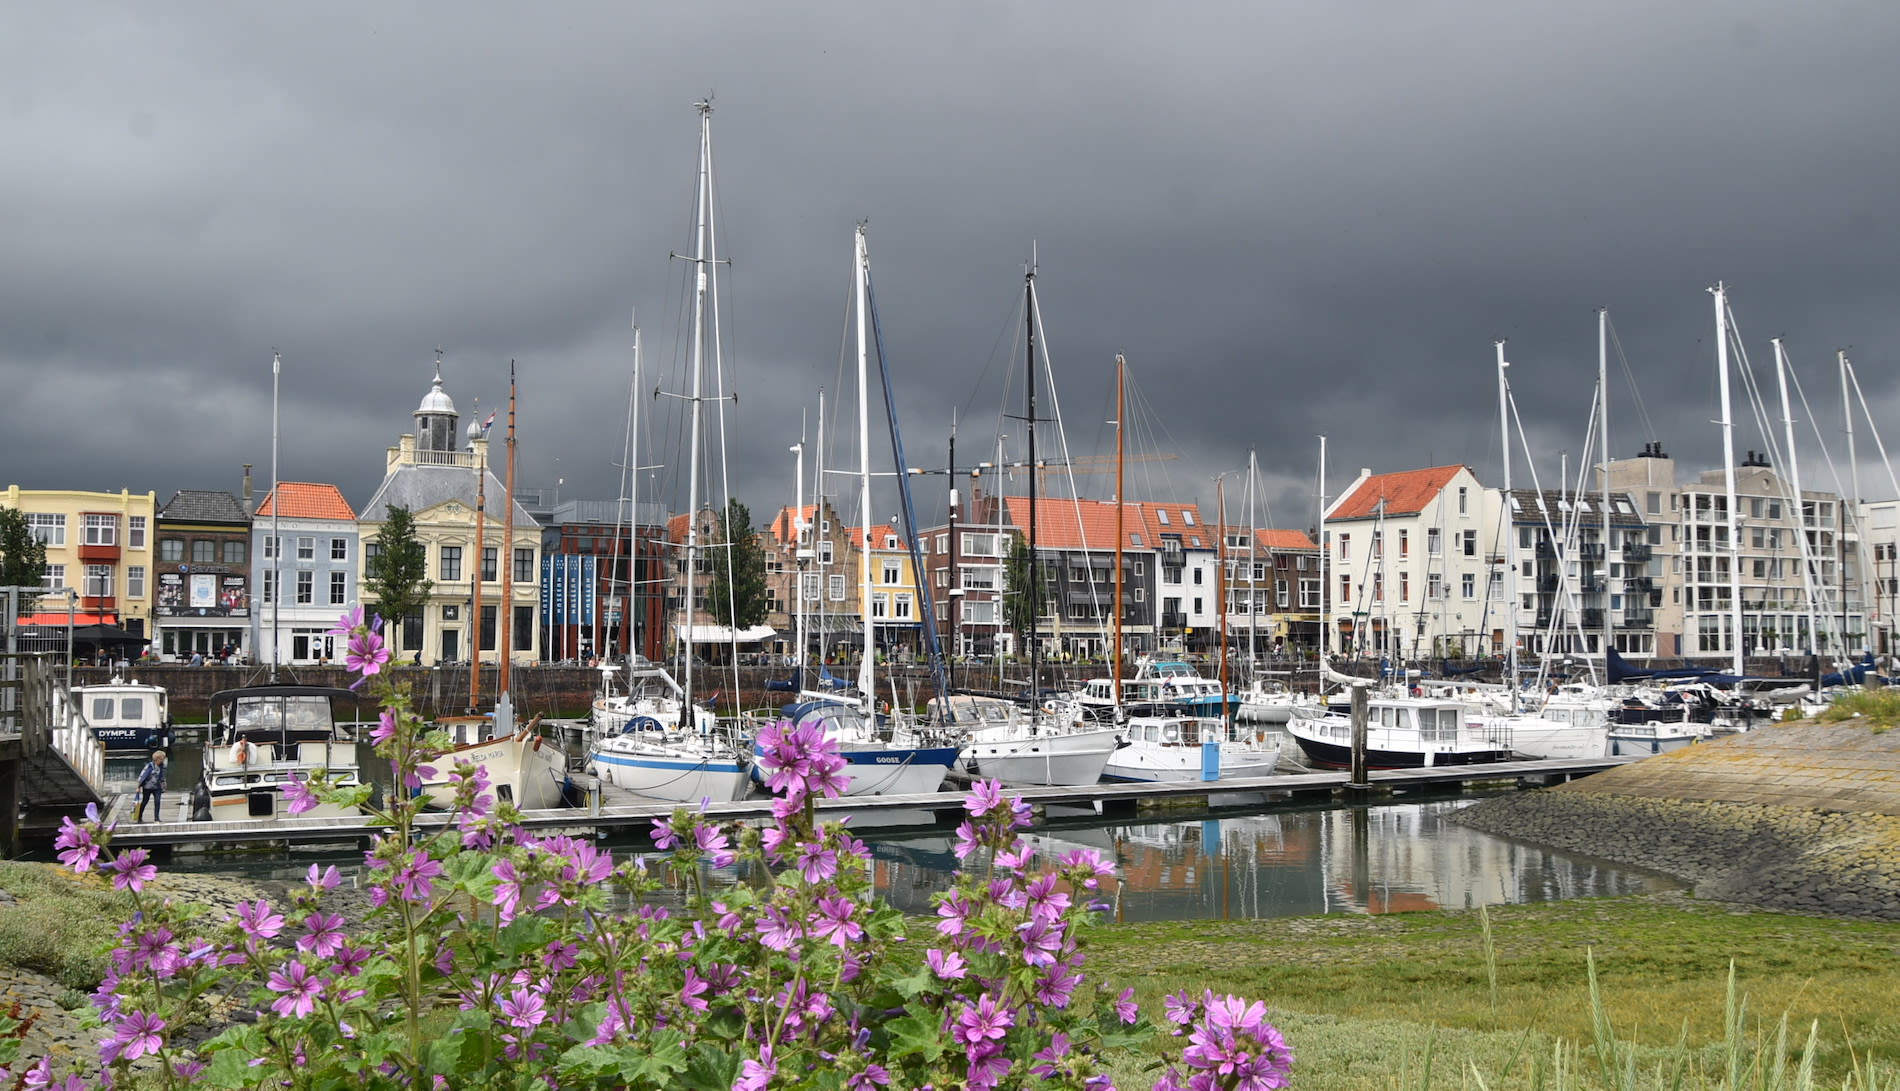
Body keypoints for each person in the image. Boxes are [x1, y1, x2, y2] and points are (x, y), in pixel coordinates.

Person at [133, 750, 167, 822]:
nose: (163, 760)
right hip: (147, 787)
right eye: (162, 759)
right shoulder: (149, 766)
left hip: (157, 787)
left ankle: (156, 818)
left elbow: (162, 777)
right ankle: (139, 817)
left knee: (157, 801)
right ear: (157, 759)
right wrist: (138, 787)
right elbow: (142, 776)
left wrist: (164, 785)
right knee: (145, 801)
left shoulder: (162, 767)